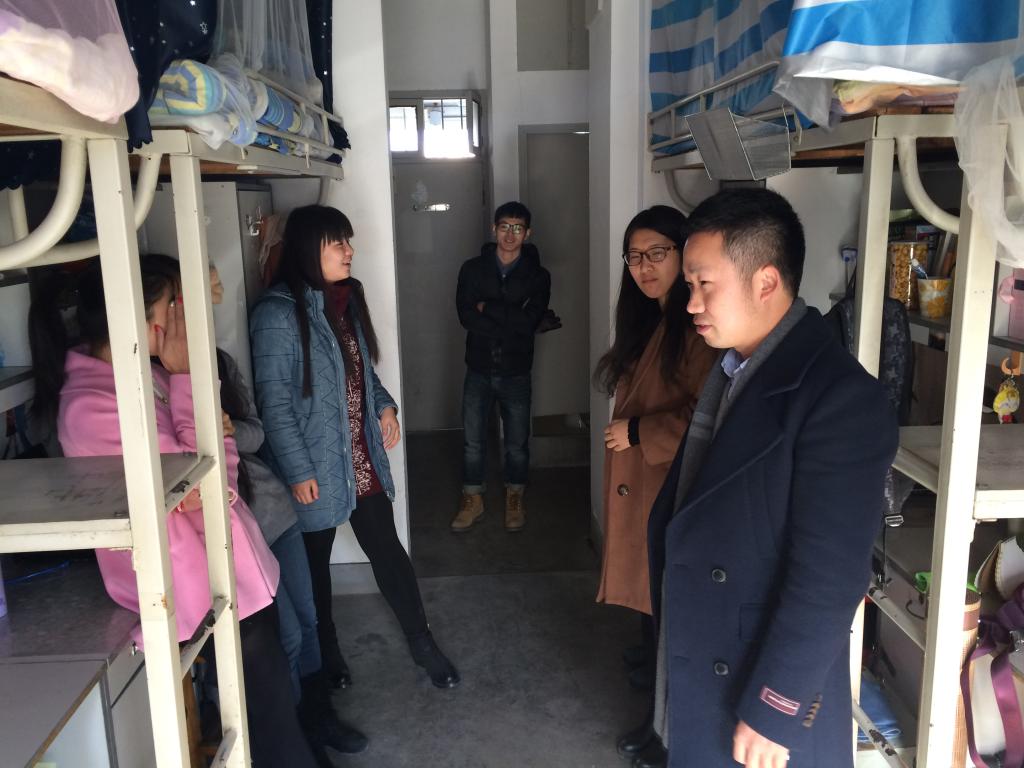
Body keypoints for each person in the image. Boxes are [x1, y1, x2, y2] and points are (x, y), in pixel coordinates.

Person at [29, 254, 319, 768]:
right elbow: (208, 485)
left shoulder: (140, 377)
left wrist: (200, 410)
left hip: (229, 573)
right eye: (176, 306)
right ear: (147, 321)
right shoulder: (93, 405)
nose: (186, 319)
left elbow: (210, 466)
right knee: (269, 724)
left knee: (273, 712)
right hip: (197, 587)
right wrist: (190, 385)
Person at [646, 188, 899, 768]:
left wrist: (775, 708)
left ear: (765, 282)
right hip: (710, 650)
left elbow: (830, 576)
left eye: (704, 284)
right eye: (690, 285)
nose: (691, 302)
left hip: (759, 690)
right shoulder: (736, 368)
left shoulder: (840, 399)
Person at [250, 204, 460, 693]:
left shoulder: (344, 302)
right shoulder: (277, 314)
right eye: (338, 242)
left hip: (359, 456)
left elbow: (363, 375)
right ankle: (328, 654)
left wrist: (385, 407)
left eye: (348, 241)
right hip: (313, 465)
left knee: (388, 551)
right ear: (309, 248)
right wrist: (298, 471)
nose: (350, 251)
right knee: (315, 569)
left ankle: (423, 643)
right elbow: (274, 405)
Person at [594, 206, 717, 765]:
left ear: (684, 253)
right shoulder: (655, 317)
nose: (644, 267)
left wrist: (641, 431)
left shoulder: (697, 325)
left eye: (657, 254)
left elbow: (706, 413)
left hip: (668, 482)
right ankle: (653, 688)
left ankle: (665, 735)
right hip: (647, 480)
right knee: (651, 599)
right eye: (634, 257)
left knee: (668, 609)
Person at [216, 348, 368, 765]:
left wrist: (227, 431)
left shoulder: (218, 362)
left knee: (308, 618)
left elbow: (256, 434)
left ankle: (319, 718)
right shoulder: (153, 386)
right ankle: (298, 735)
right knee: (287, 637)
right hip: (231, 533)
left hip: (273, 511)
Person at [452, 201, 551, 533]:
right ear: (494, 229)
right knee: (472, 441)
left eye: (517, 228)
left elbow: (530, 321)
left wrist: (489, 308)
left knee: (517, 443)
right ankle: (473, 498)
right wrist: (511, 320)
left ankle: (515, 497)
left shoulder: (538, 276)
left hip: (516, 370)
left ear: (528, 233)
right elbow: (466, 316)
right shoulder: (472, 269)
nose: (510, 234)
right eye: (505, 227)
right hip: (478, 367)